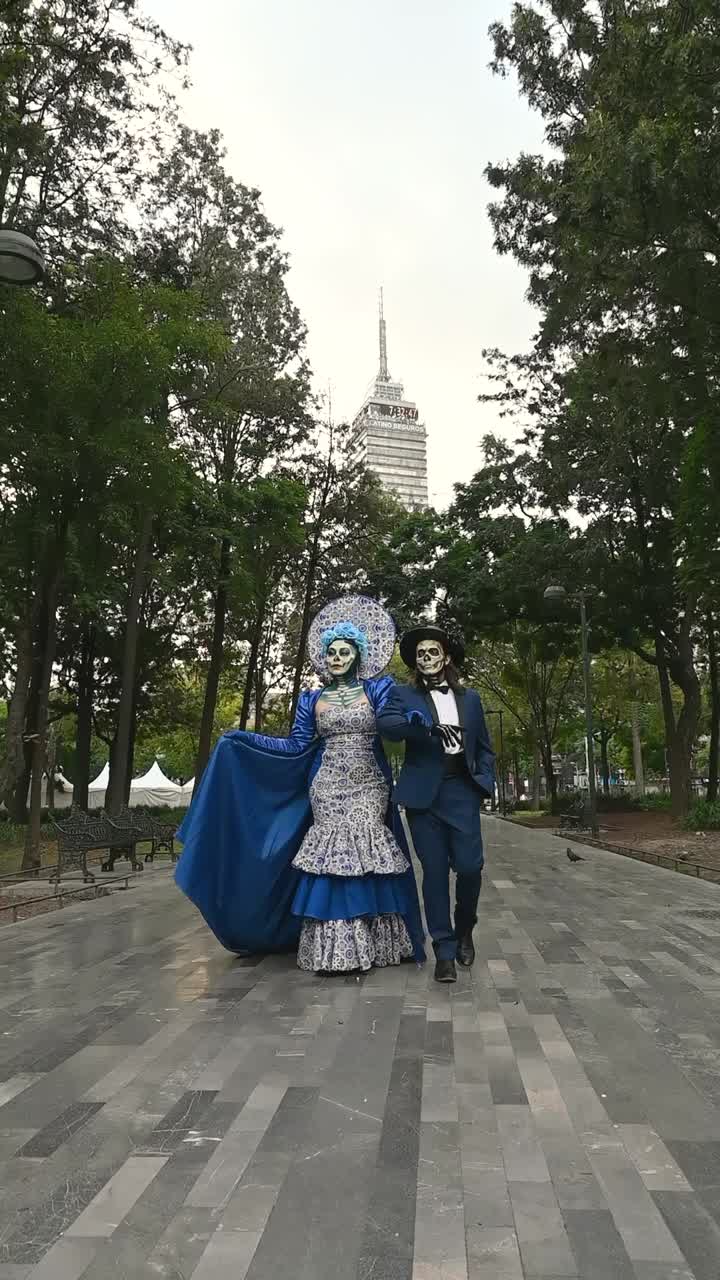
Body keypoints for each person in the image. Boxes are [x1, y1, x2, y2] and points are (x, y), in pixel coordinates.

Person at [175, 595, 425, 973]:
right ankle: (339, 949)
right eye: (331, 653)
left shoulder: (377, 690)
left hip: (369, 784)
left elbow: (393, 721)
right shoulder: (312, 699)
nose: (336, 658)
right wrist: (245, 740)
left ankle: (371, 940)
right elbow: (296, 745)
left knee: (362, 846)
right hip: (327, 786)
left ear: (358, 655)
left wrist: (412, 720)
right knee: (332, 856)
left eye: (344, 652)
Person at [376, 624, 494, 984]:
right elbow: (387, 724)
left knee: (470, 867)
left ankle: (465, 927)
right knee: (435, 872)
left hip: (461, 790)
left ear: (446, 657)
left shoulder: (470, 699)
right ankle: (444, 951)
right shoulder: (402, 694)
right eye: (420, 654)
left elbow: (484, 748)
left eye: (432, 651)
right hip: (423, 797)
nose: (426, 658)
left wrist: (483, 782)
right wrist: (422, 726)